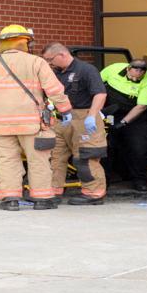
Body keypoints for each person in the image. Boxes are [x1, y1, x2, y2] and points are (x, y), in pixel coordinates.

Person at [0, 25, 72, 211]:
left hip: (0, 126)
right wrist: (65, 110)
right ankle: (42, 199)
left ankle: (10, 199)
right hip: (32, 124)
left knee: (7, 161)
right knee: (38, 160)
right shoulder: (36, 62)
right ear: (24, 42)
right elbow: (54, 89)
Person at [41, 43, 109, 206]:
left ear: (62, 55)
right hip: (61, 119)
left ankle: (94, 193)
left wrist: (92, 115)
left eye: (50, 60)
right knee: (55, 157)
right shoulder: (56, 73)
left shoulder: (86, 70)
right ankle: (54, 190)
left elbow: (100, 94)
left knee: (85, 157)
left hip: (84, 117)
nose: (49, 64)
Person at [102, 58, 147, 191]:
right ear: (128, 69)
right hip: (110, 112)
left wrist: (123, 123)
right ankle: (103, 180)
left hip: (135, 115)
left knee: (139, 148)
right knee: (106, 146)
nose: (136, 77)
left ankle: (140, 180)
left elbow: (142, 106)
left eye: (140, 74)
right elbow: (96, 87)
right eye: (133, 75)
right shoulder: (113, 69)